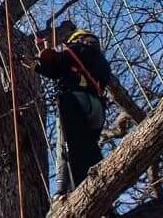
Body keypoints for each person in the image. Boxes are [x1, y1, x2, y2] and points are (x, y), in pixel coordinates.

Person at [35, 23, 114, 197]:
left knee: (65, 146)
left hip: (77, 100)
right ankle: (96, 185)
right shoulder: (103, 63)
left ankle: (62, 190)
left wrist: (39, 60)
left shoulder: (76, 49)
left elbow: (54, 68)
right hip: (98, 110)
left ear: (78, 39)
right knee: (87, 147)